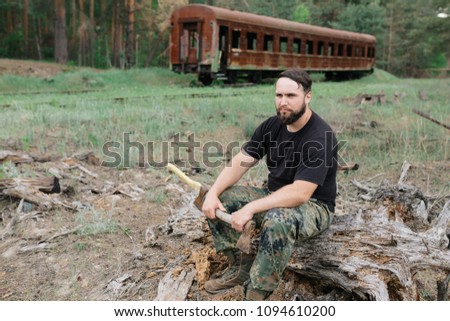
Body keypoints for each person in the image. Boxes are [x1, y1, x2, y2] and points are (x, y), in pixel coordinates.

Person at [202, 68, 337, 300]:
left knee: (278, 218)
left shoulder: (320, 136)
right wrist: (213, 192)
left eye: (291, 96)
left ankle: (258, 290)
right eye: (279, 96)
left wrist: (252, 208)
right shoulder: (271, 126)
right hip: (273, 194)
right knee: (223, 198)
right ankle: (240, 267)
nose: (283, 102)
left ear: (308, 96)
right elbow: (240, 162)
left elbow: (300, 193)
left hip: (315, 206)